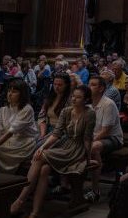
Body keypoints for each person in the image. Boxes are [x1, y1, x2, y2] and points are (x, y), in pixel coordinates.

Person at [11, 86, 95, 218]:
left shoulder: (89, 113)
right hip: (63, 145)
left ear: (86, 100)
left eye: (78, 97)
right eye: (73, 96)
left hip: (77, 149)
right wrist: (43, 147)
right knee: (44, 169)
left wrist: (88, 158)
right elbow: (56, 134)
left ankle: (21, 198)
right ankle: (35, 212)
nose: (74, 99)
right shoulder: (66, 111)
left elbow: (87, 138)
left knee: (39, 158)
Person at [87, 76, 124, 202]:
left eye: (93, 85)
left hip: (112, 138)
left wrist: (89, 141)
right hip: (94, 136)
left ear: (101, 88)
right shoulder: (88, 103)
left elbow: (105, 131)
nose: (89, 87)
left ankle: (95, 190)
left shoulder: (108, 104)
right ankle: (66, 184)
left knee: (94, 147)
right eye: (89, 84)